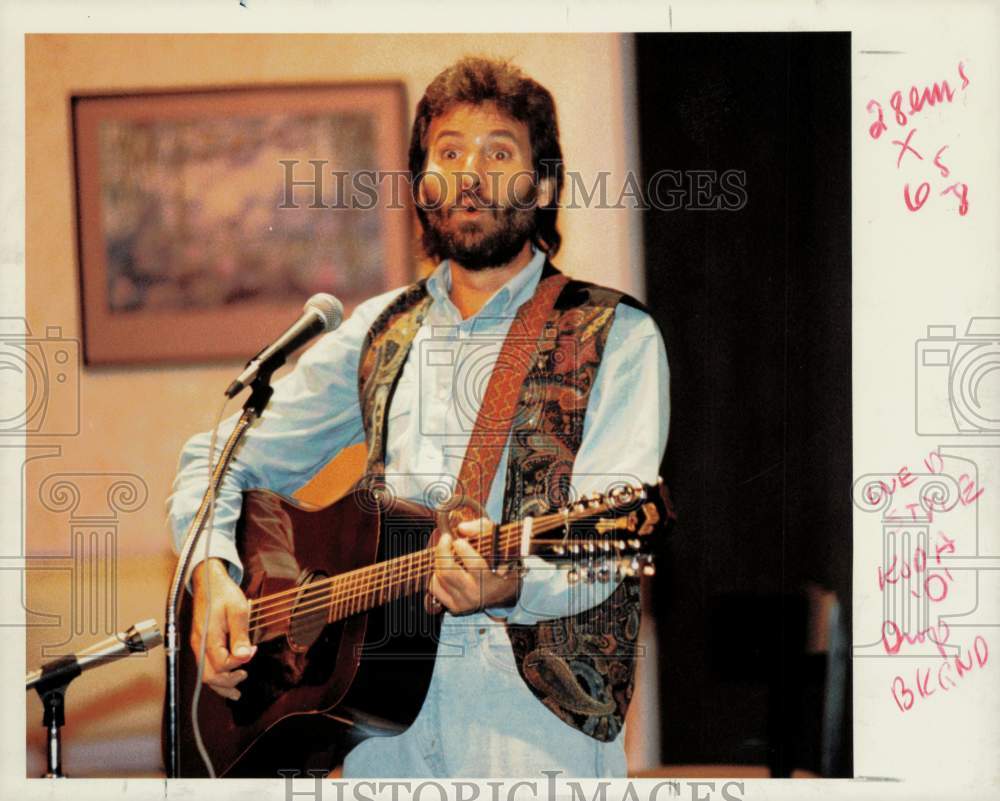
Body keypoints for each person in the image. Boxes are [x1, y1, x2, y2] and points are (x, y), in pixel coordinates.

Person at [168, 56, 669, 779]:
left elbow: (610, 546)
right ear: (421, 183)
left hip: (531, 730)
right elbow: (221, 460)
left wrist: (512, 582)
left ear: (547, 183)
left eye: (499, 152)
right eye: (449, 152)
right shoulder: (378, 330)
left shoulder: (612, 334)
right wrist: (215, 574)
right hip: (379, 729)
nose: (470, 172)